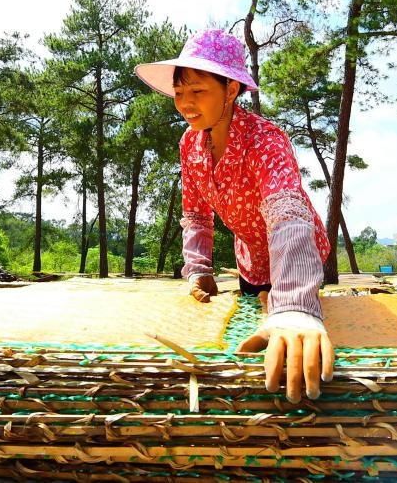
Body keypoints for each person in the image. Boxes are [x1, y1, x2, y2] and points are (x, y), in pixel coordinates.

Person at [135, 29, 333, 403]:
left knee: (285, 329)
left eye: (198, 91)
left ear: (230, 90)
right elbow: (195, 213)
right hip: (250, 262)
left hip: (296, 257)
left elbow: (287, 217)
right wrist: (199, 271)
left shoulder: (266, 140)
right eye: (180, 93)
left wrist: (294, 308)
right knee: (249, 320)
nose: (185, 103)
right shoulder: (189, 144)